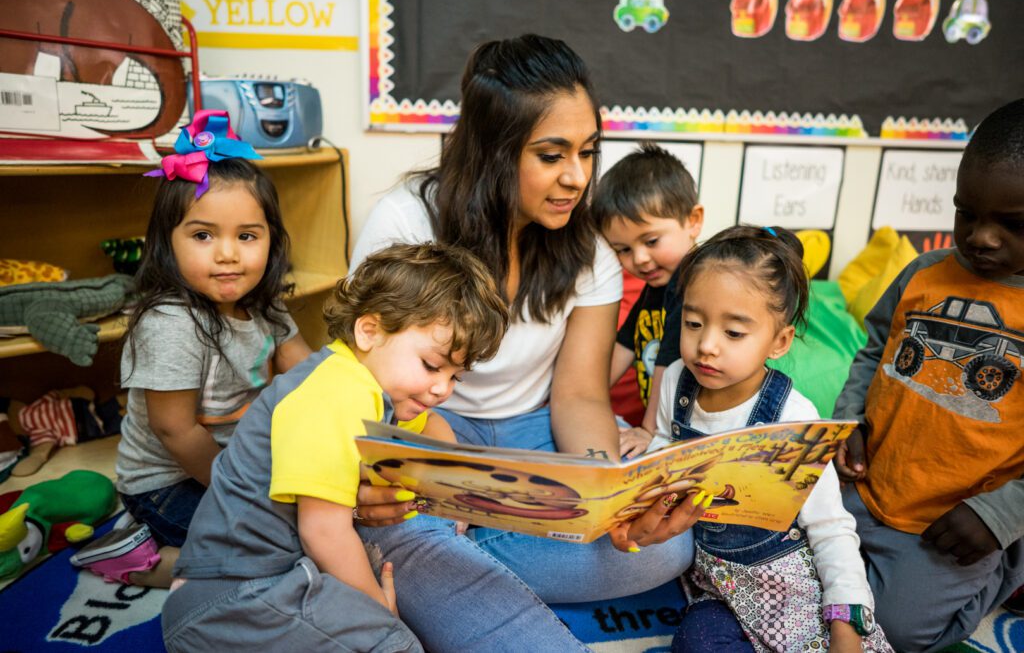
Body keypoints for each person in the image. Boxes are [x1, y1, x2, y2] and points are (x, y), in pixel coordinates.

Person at [350, 34, 702, 650]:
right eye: (551, 154)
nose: (576, 177)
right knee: (386, 517)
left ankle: (453, 556)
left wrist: (606, 496)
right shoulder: (406, 222)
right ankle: (446, 554)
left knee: (667, 544)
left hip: (536, 437)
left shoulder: (588, 250)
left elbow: (578, 396)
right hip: (429, 425)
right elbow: (374, 385)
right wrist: (442, 477)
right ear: (492, 149)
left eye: (588, 152)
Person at [160, 242, 509, 652]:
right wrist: (380, 611)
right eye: (432, 366)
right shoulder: (338, 390)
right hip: (237, 597)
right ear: (369, 330)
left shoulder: (368, 383)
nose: (442, 389)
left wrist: (444, 481)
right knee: (397, 644)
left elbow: (432, 424)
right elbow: (323, 531)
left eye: (456, 378)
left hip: (261, 582)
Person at [70, 111, 311, 587]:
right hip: (167, 483)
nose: (227, 254)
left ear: (271, 241)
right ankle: (141, 561)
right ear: (168, 243)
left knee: (314, 524)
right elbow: (175, 431)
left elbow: (308, 375)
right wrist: (246, 494)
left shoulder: (265, 304)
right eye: (203, 235)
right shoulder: (170, 323)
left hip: (239, 463)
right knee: (277, 554)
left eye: (247, 236)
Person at [834, 98, 1024, 652]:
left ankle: (1009, 565)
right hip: (866, 488)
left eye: (1012, 224)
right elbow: (874, 351)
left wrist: (999, 517)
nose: (981, 237)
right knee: (766, 547)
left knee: (891, 632)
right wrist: (849, 418)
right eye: (967, 212)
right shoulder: (922, 272)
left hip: (955, 527)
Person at [651, 225, 892, 653]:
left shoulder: (794, 417)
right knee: (693, 642)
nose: (706, 346)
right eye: (692, 323)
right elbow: (661, 447)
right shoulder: (675, 381)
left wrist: (846, 625)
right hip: (716, 588)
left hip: (792, 591)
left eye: (734, 333)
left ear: (779, 341)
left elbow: (831, 528)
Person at [591, 142, 704, 458]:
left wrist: (649, 429)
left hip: (694, 431)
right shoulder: (655, 285)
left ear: (693, 221)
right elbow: (624, 344)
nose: (639, 259)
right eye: (623, 249)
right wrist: (585, 396)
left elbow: (667, 364)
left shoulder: (694, 285)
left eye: (651, 241)